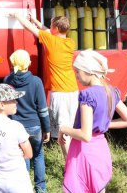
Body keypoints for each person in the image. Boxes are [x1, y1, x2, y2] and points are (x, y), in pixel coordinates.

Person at [60, 50, 127, 193]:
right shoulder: (111, 91)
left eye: (78, 71)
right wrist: (104, 125)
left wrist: (64, 129)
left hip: (83, 151)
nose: (76, 76)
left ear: (89, 71)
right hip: (100, 148)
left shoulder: (87, 94)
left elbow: (85, 135)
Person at [9, 13, 78, 160]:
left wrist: (17, 16)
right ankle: (75, 158)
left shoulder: (50, 40)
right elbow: (47, 31)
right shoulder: (69, 42)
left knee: (63, 130)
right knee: (70, 128)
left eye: (52, 24)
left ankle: (70, 164)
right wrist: (35, 20)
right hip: (73, 90)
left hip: (60, 92)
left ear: (56, 28)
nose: (49, 27)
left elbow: (29, 28)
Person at [4, 49, 51, 193]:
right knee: (37, 155)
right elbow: (42, 109)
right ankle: (41, 188)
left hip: (16, 126)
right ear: (28, 64)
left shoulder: (8, 80)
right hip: (34, 126)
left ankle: (24, 187)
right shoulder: (36, 81)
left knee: (22, 156)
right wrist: (47, 129)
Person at [0, 83, 34, 193]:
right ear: (2, 105)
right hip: (17, 180)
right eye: (12, 100)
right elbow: (29, 154)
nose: (16, 102)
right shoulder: (15, 126)